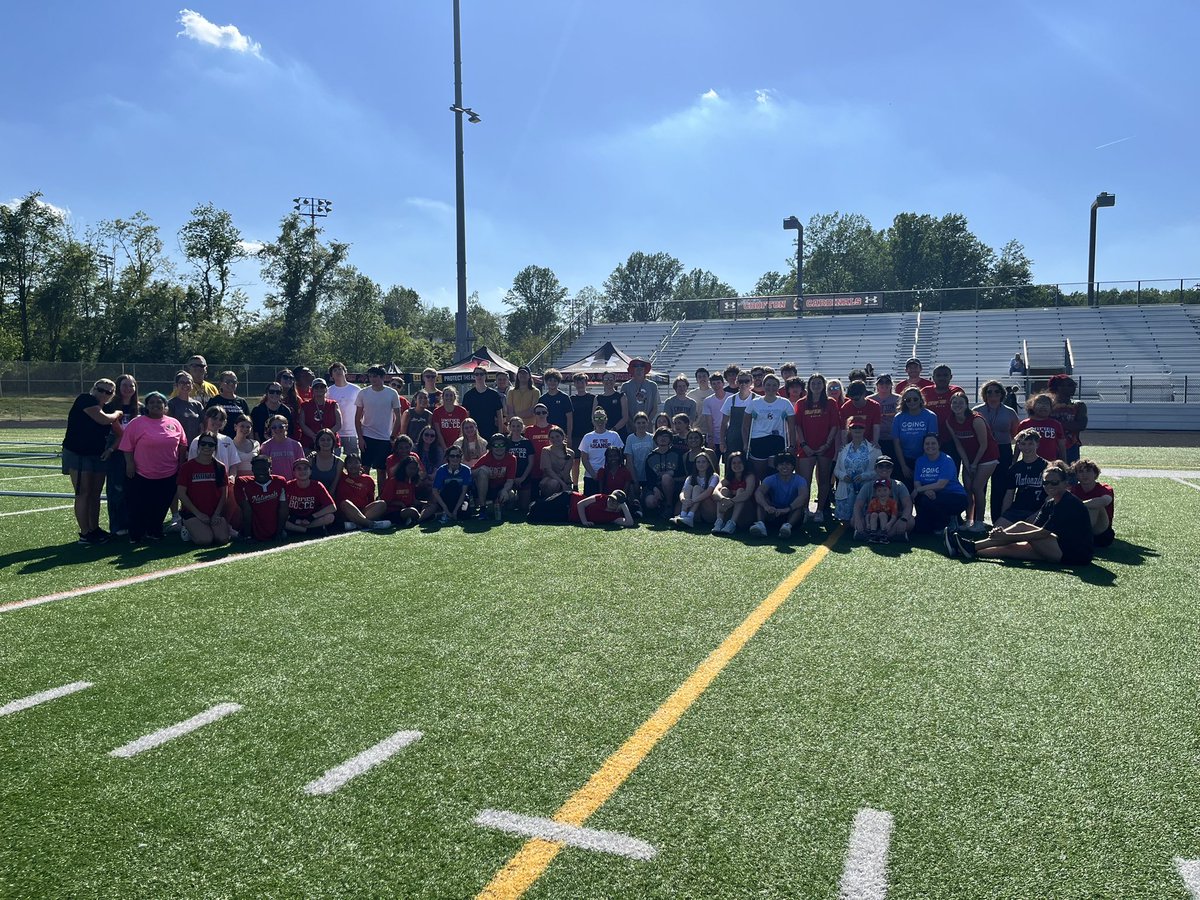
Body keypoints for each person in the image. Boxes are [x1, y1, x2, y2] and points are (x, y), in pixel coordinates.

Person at [952, 461, 1093, 565]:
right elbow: (1036, 529)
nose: (1049, 486)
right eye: (1045, 483)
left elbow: (1041, 533)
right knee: (1009, 549)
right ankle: (965, 549)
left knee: (1021, 526)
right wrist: (1006, 538)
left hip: (1074, 555)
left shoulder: (1068, 502)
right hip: (1057, 548)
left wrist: (1007, 535)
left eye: (1054, 483)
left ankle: (971, 545)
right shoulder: (1050, 502)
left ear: (1065, 483)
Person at [119, 391, 187, 543]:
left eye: (159, 402)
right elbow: (127, 446)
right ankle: (136, 534)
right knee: (138, 505)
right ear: (147, 406)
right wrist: (129, 464)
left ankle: (155, 531)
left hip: (168, 473)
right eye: (152, 403)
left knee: (161, 504)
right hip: (142, 473)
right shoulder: (137, 423)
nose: (156, 405)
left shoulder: (174, 423)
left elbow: (183, 444)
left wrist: (181, 464)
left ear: (165, 406)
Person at [62, 378, 122, 544]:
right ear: (94, 388)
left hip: (98, 454)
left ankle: (94, 528)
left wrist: (110, 449)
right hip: (78, 453)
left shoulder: (108, 408)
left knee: (95, 494)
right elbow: (102, 419)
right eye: (100, 389)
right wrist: (117, 414)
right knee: (83, 492)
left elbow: (121, 434)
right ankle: (85, 532)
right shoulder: (85, 399)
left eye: (108, 392)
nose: (103, 394)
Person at [945, 390, 1000, 532]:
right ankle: (969, 521)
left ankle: (979, 522)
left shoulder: (976, 419)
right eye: (954, 403)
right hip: (969, 459)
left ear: (966, 404)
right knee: (967, 489)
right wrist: (967, 463)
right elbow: (958, 444)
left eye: (961, 403)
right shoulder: (950, 420)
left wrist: (974, 464)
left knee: (977, 487)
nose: (957, 405)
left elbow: (984, 444)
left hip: (987, 457)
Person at [974, 380, 1022, 525]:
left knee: (999, 486)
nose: (993, 394)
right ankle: (977, 519)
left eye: (996, 391)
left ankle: (998, 520)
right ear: (984, 394)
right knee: (979, 486)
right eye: (989, 391)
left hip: (1003, 450)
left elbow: (1016, 435)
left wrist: (1014, 458)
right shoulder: (977, 410)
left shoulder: (1009, 411)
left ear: (1002, 394)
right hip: (983, 450)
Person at [794, 373, 839, 523]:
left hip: (825, 447)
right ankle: (805, 509)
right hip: (806, 447)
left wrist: (827, 444)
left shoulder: (831, 402)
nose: (816, 386)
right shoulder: (801, 403)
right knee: (804, 480)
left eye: (819, 383)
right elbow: (797, 426)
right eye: (813, 383)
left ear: (823, 385)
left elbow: (834, 425)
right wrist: (804, 444)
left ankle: (820, 510)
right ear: (809, 385)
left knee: (824, 480)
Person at [103, 373, 144, 537]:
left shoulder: (140, 408)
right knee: (116, 489)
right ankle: (117, 525)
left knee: (134, 489)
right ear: (118, 388)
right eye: (125, 385)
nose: (128, 389)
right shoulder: (109, 408)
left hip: (137, 453)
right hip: (116, 454)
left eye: (131, 386)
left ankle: (133, 523)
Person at [175, 432, 231, 546]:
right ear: (199, 445)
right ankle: (186, 527)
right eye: (203, 444)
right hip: (193, 513)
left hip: (213, 512)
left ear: (215, 447)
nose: (207, 447)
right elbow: (181, 493)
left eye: (210, 445)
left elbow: (224, 494)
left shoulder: (220, 467)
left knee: (222, 539)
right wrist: (198, 514)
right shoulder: (187, 467)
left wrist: (216, 514)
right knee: (205, 540)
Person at [911, 434, 969, 539]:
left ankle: (948, 522)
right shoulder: (920, 461)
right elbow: (917, 483)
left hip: (954, 496)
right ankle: (938, 522)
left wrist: (920, 490)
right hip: (931, 495)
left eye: (933, 443)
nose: (930, 446)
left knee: (927, 501)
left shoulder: (946, 460)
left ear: (939, 445)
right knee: (921, 529)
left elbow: (941, 485)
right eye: (927, 444)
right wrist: (924, 491)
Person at [356, 365, 403, 485]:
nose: (373, 379)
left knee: (381, 470)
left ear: (383, 377)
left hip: (384, 438)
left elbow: (398, 417)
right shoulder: (363, 393)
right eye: (370, 376)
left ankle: (381, 498)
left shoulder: (392, 393)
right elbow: (357, 418)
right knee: (365, 469)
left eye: (375, 376)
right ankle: (365, 496)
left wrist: (392, 437)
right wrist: (360, 438)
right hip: (367, 436)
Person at [851, 456, 914, 542]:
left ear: (892, 469)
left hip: (892, 519)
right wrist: (858, 520)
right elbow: (858, 505)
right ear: (875, 468)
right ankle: (890, 536)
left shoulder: (899, 485)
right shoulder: (868, 486)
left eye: (888, 466)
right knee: (854, 519)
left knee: (910, 521)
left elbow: (908, 504)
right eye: (881, 466)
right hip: (872, 519)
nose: (884, 468)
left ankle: (874, 536)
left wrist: (903, 519)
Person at [743, 374, 793, 480]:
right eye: (768, 385)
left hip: (777, 440)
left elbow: (792, 427)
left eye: (774, 385)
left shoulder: (785, 403)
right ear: (764, 386)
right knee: (759, 474)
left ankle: (772, 496)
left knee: (774, 473)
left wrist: (792, 446)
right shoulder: (754, 403)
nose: (771, 388)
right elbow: (745, 426)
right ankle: (758, 495)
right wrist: (745, 443)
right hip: (758, 440)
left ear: (778, 386)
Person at [749, 452, 809, 540]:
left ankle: (787, 526)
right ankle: (761, 524)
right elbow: (759, 492)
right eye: (781, 464)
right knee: (762, 501)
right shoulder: (770, 479)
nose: (784, 467)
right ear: (776, 467)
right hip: (773, 512)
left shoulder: (800, 480)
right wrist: (767, 507)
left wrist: (787, 509)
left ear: (793, 466)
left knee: (800, 507)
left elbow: (803, 496)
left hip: (790, 512)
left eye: (788, 464)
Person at [996, 429, 1049, 527]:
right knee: (999, 529)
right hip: (1018, 509)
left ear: (1037, 444)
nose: (1026, 447)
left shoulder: (1046, 466)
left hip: (1038, 510)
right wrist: (1004, 515)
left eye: (1030, 444)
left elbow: (1051, 495)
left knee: (1029, 533)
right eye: (1023, 444)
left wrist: (1039, 513)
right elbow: (1009, 494)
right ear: (1018, 445)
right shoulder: (1015, 468)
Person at [833, 421, 880, 522]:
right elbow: (836, 470)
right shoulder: (843, 449)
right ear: (849, 430)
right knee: (847, 523)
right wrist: (843, 476)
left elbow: (880, 471)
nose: (857, 430)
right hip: (846, 490)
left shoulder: (874, 449)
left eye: (860, 427)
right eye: (854, 427)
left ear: (864, 430)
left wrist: (865, 476)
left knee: (864, 520)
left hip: (865, 489)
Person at [892, 388, 939, 487]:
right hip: (905, 459)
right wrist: (903, 466)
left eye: (915, 399)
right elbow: (897, 443)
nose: (912, 402)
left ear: (921, 400)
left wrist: (921, 465)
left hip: (925, 459)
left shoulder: (930, 416)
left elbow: (931, 443)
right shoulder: (898, 418)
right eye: (908, 400)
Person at [236, 455, 287, 543]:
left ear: (270, 468)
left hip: (274, 529)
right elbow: (247, 510)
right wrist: (248, 536)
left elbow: (283, 510)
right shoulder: (243, 483)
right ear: (252, 469)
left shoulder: (279, 481)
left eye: (264, 469)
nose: (261, 472)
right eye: (257, 469)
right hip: (253, 530)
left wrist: (279, 532)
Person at [920, 365, 963, 467]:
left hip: (951, 438)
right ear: (933, 377)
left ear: (950, 377)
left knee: (951, 469)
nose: (942, 378)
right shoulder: (925, 391)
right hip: (929, 439)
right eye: (938, 375)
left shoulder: (956, 391)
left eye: (945, 375)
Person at [337, 453, 392, 530]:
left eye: (356, 462)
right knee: (345, 503)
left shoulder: (368, 479)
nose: (353, 465)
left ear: (361, 465)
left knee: (382, 504)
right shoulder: (341, 477)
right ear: (345, 466)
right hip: (347, 511)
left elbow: (370, 499)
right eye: (350, 463)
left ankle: (357, 523)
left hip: (363, 511)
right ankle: (370, 524)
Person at [527, 488, 636, 527]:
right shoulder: (601, 497)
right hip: (569, 499)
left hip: (568, 516)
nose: (611, 502)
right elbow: (581, 504)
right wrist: (584, 521)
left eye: (615, 502)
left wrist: (623, 504)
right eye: (611, 499)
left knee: (535, 517)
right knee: (535, 508)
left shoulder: (614, 517)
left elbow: (629, 523)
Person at [284, 457, 336, 536]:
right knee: (280, 521)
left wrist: (312, 517)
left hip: (311, 519)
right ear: (294, 472)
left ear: (310, 471)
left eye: (305, 468)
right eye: (299, 469)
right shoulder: (288, 485)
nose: (302, 471)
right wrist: (293, 519)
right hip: (294, 519)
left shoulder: (317, 485)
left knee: (330, 517)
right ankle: (309, 531)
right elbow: (281, 507)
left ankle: (300, 530)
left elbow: (332, 507)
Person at [1070, 458, 1115, 548]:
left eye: (1088, 471)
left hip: (1102, 532)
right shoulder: (1073, 489)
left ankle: (1081, 538)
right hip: (1077, 527)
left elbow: (1105, 501)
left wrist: (1080, 505)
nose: (1084, 475)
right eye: (1081, 471)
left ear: (1095, 474)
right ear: (1077, 475)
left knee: (1095, 506)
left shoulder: (1104, 488)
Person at [578, 409, 624, 495]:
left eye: (602, 418)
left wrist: (612, 473)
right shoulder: (587, 437)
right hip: (591, 475)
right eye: (596, 418)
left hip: (610, 475)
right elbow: (584, 459)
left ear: (606, 419)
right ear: (593, 421)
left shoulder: (613, 435)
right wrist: (593, 474)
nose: (600, 421)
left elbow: (619, 456)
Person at [473, 433, 518, 519]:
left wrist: (505, 490)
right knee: (482, 471)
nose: (499, 448)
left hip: (500, 489)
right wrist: (483, 469)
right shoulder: (486, 458)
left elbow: (510, 480)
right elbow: (471, 473)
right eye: (496, 445)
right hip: (486, 489)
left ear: (506, 446)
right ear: (491, 447)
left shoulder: (512, 459)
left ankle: (498, 506)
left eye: (502, 445)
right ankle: (482, 509)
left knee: (512, 495)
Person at [712, 451, 757, 535]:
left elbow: (747, 494)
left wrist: (731, 501)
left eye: (739, 462)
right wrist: (723, 499)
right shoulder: (729, 477)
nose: (737, 465)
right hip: (729, 510)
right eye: (734, 463)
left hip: (747, 513)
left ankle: (732, 523)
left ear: (744, 463)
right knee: (724, 490)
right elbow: (715, 492)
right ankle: (719, 521)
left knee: (741, 491)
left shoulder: (749, 476)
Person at [642, 426, 684, 516]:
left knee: (666, 478)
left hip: (674, 486)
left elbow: (683, 473)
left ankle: (669, 505)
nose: (663, 439)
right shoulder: (650, 457)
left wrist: (671, 473)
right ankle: (661, 506)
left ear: (670, 439)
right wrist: (655, 489)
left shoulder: (677, 454)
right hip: (657, 486)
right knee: (650, 502)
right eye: (660, 436)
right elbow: (649, 478)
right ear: (656, 439)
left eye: (666, 436)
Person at [671, 450, 718, 529]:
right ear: (695, 464)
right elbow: (683, 491)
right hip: (696, 510)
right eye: (698, 462)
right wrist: (683, 499)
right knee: (689, 487)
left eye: (703, 462)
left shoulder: (714, 476)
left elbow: (708, 492)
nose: (701, 464)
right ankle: (683, 515)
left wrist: (692, 501)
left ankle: (690, 516)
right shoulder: (690, 477)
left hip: (708, 510)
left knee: (697, 488)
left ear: (709, 463)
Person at [1048, 375, 1088, 465]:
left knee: (1070, 474)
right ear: (1058, 387)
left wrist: (1055, 423)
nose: (1074, 387)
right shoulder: (1047, 404)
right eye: (1070, 385)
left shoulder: (1079, 405)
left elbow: (1081, 425)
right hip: (1049, 445)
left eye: (1074, 384)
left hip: (1071, 446)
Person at [1018, 393, 1067, 463]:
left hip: (1050, 463)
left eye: (1046, 404)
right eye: (1039, 403)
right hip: (1029, 462)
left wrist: (1064, 462)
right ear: (1032, 406)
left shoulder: (1056, 424)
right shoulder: (1024, 424)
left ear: (1051, 408)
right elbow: (1018, 445)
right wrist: (1014, 460)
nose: (1043, 406)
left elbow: (1062, 446)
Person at [378, 456, 426, 527]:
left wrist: (426, 503)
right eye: (410, 468)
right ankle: (421, 518)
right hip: (393, 512)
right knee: (411, 511)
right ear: (403, 468)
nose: (412, 471)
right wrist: (399, 503)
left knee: (431, 505)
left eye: (415, 469)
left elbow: (413, 501)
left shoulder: (412, 482)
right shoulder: (393, 481)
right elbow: (384, 501)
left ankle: (417, 518)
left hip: (407, 508)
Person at [432, 446, 474, 524]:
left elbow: (464, 492)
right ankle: (445, 512)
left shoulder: (466, 470)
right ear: (448, 457)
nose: (455, 458)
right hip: (446, 499)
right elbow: (435, 491)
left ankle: (450, 513)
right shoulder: (441, 470)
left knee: (465, 514)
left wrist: (455, 511)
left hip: (461, 499)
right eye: (452, 456)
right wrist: (445, 508)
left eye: (458, 456)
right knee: (452, 484)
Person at [326, 362, 361, 454]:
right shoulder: (329, 391)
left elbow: (362, 410)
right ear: (331, 376)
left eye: (340, 369)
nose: (338, 372)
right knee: (334, 461)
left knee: (353, 461)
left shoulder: (356, 389)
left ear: (345, 372)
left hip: (352, 432)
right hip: (335, 432)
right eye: (335, 370)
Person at [298, 378, 341, 451]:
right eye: (316, 387)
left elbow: (338, 424)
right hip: (310, 443)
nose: (319, 389)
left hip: (330, 443)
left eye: (322, 387)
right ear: (312, 390)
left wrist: (326, 435)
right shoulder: (305, 405)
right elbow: (302, 424)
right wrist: (314, 436)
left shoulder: (333, 404)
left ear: (326, 389)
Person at [462, 366, 506, 437]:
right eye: (476, 374)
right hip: (473, 432)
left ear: (485, 376)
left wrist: (500, 433)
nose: (479, 376)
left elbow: (499, 415)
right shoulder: (468, 395)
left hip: (491, 431)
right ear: (474, 376)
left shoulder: (494, 394)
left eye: (481, 374)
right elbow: (466, 417)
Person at [205, 371, 250, 437]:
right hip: (218, 439)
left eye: (234, 382)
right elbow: (206, 421)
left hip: (239, 440)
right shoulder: (214, 401)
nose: (231, 384)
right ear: (220, 383)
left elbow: (249, 423)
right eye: (228, 382)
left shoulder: (242, 402)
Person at [507, 416, 537, 510]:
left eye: (518, 426)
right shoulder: (506, 442)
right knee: (509, 505)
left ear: (522, 427)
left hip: (524, 477)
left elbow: (530, 463)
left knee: (524, 508)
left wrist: (522, 478)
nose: (516, 428)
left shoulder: (527, 443)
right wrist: (511, 479)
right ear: (510, 427)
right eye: (513, 426)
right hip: (508, 478)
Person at [167, 372, 205, 445]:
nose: (185, 385)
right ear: (176, 385)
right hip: (178, 445)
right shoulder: (171, 404)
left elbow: (202, 426)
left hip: (195, 445)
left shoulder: (197, 405)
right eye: (182, 382)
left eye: (188, 382)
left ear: (192, 385)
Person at [841, 380, 882, 446]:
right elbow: (844, 430)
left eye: (856, 399)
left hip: (869, 442)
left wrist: (875, 442)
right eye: (852, 399)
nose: (854, 402)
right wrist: (845, 446)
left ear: (864, 394)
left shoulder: (874, 406)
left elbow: (876, 426)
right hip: (851, 443)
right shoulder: (845, 408)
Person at [869, 373, 899, 462]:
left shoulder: (898, 399)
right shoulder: (869, 399)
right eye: (881, 383)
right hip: (875, 439)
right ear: (877, 385)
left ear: (891, 384)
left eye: (887, 382)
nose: (884, 385)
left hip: (893, 438)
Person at [538, 425, 575, 496]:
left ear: (563, 437)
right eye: (552, 437)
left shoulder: (571, 453)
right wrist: (562, 484)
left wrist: (564, 484)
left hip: (565, 479)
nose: (555, 439)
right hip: (549, 479)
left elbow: (565, 472)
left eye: (557, 436)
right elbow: (548, 470)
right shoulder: (546, 450)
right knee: (553, 483)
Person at [698, 370, 727, 456]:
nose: (716, 386)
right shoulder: (707, 401)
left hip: (727, 437)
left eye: (718, 383)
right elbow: (709, 422)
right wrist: (711, 440)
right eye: (714, 383)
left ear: (723, 383)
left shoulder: (730, 397)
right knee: (712, 465)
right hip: (713, 438)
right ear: (711, 385)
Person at [538, 369, 573, 437]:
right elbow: (539, 418)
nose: (552, 383)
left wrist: (569, 436)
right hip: (547, 433)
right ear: (546, 382)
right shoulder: (542, 399)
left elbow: (569, 418)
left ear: (558, 382)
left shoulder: (565, 397)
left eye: (555, 381)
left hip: (562, 432)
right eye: (550, 380)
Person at [308, 428, 343, 497]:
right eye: (322, 440)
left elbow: (334, 486)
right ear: (317, 442)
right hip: (312, 497)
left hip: (331, 498)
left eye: (328, 440)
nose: (325, 442)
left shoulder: (339, 462)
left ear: (333, 441)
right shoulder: (310, 460)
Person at [595, 371, 629, 438]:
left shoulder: (621, 396)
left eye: (611, 379)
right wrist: (601, 429)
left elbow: (625, 417)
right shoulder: (597, 398)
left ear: (614, 380)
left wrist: (613, 430)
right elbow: (593, 417)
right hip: (602, 433)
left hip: (619, 432)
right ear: (602, 381)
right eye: (606, 379)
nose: (608, 381)